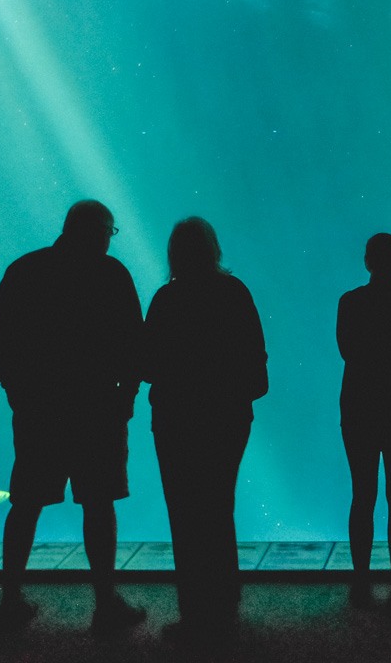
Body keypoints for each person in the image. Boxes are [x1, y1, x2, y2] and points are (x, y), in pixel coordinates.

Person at [0, 200, 146, 636]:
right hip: (98, 410)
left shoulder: (26, 269)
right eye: (110, 232)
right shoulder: (113, 275)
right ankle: (105, 602)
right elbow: (134, 343)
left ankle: (10, 600)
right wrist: (126, 397)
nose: (111, 240)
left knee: (27, 503)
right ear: (97, 231)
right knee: (99, 504)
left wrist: (17, 389)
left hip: (39, 411)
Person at [143, 216, 268, 646]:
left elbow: (147, 365)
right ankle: (224, 602)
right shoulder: (234, 293)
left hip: (176, 421)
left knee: (186, 513)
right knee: (218, 505)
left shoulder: (166, 299)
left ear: (173, 253)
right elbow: (258, 370)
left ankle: (196, 612)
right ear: (214, 249)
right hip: (228, 419)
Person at [337, 232, 391, 609]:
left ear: (367, 262)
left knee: (362, 494)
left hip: (359, 409)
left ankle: (361, 578)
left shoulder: (350, 302)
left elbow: (347, 351)